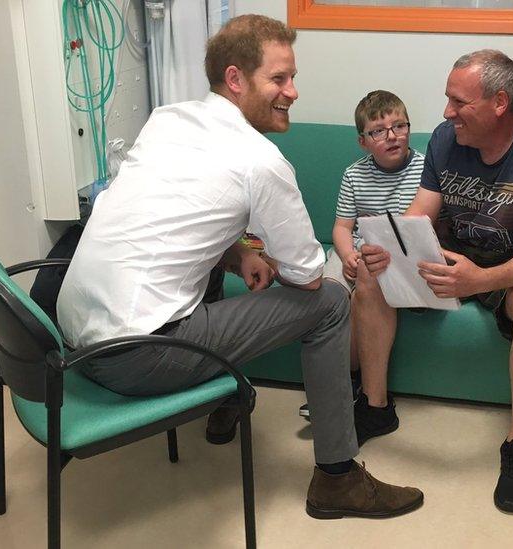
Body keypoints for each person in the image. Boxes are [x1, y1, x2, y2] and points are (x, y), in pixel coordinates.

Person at [55, 14, 423, 520]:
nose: (293, 91)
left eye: (292, 77)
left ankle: (222, 399)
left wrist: (240, 252)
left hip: (73, 337)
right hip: (136, 359)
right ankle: (337, 477)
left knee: (211, 261)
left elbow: (178, 223)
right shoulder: (261, 160)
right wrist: (273, 256)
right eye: (279, 78)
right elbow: (310, 276)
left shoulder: (167, 119)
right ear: (235, 79)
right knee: (332, 302)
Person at [356, 49, 513, 514]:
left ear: (500, 103)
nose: (446, 112)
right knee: (373, 277)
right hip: (455, 255)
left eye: (459, 102)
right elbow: (421, 213)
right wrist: (389, 247)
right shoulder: (444, 139)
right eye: (447, 100)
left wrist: (478, 282)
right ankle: (375, 409)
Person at [297, 91, 425, 443]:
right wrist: (347, 255)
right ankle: (335, 386)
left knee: (371, 284)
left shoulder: (425, 169)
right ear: (363, 142)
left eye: (399, 125)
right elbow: (342, 228)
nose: (392, 135)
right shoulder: (354, 175)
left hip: (399, 260)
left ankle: (350, 384)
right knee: (327, 296)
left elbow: (428, 230)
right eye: (379, 131)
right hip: (355, 253)